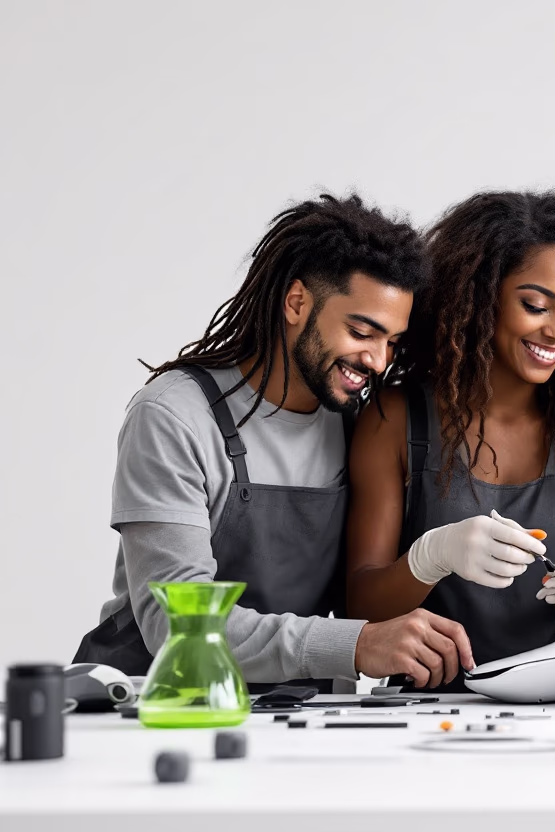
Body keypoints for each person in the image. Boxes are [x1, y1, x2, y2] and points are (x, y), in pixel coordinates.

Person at [74, 194, 475, 691]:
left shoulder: (357, 425)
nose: (377, 360)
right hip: (149, 705)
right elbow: (176, 625)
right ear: (297, 302)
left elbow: (359, 591)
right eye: (361, 331)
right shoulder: (173, 416)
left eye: (391, 342)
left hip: (288, 708)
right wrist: (355, 646)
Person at [345, 191, 555, 693]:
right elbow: (356, 606)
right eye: (536, 306)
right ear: (481, 297)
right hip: (428, 716)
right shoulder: (396, 418)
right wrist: (429, 557)